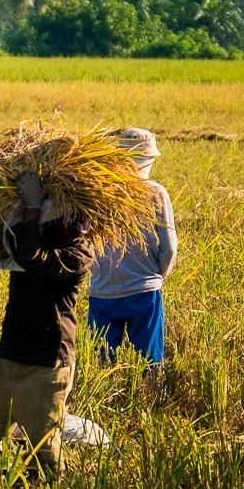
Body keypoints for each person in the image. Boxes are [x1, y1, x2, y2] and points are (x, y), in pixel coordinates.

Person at [0, 170, 93, 477]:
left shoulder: (78, 253)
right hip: (10, 353)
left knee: (43, 445)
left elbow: (33, 258)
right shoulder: (34, 241)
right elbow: (15, 252)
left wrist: (31, 208)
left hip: (47, 361)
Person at [87, 128, 178, 364]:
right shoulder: (156, 193)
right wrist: (157, 276)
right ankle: (151, 398)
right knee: (150, 363)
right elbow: (169, 248)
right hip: (143, 291)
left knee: (101, 363)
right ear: (149, 159)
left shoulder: (98, 193)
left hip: (102, 291)